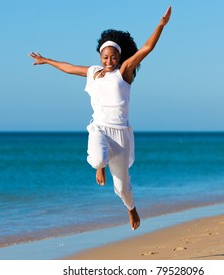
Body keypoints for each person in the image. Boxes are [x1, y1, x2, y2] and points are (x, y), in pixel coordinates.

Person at [29, 6, 172, 231]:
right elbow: (68, 68)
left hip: (121, 134)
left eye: (113, 57)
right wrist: (46, 60)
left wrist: (161, 25)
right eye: (105, 57)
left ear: (119, 57)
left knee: (123, 187)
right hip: (100, 129)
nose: (109, 61)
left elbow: (147, 48)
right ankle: (101, 164)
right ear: (100, 56)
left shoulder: (124, 72)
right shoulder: (94, 72)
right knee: (97, 159)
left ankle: (131, 208)